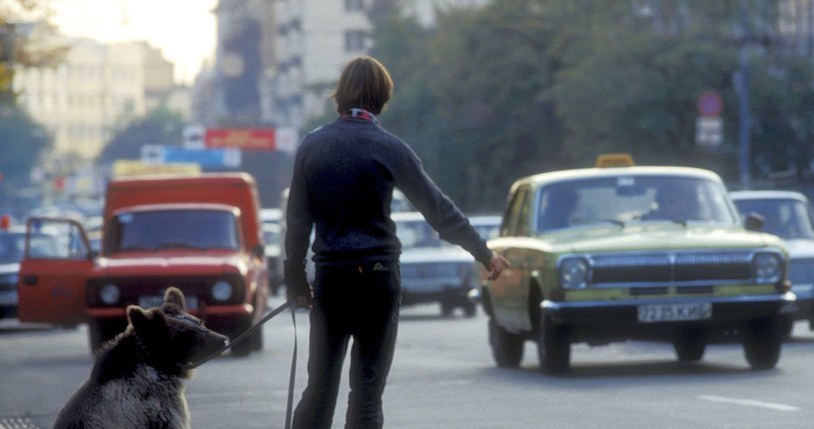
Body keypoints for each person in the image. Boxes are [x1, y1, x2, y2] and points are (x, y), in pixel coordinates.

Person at [284, 56, 510, 429]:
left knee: (319, 388)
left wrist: (295, 282)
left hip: (332, 281)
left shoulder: (312, 146)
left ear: (340, 94)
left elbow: (297, 222)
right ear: (382, 97)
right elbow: (438, 209)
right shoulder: (389, 148)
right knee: (367, 393)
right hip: (378, 280)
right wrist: (483, 252)